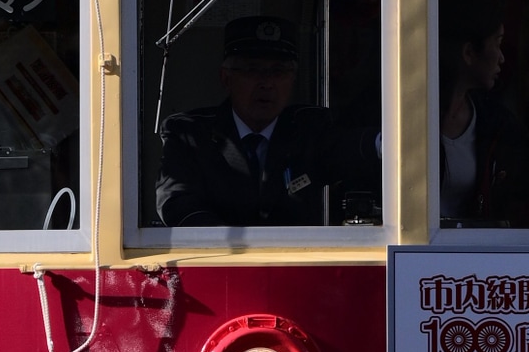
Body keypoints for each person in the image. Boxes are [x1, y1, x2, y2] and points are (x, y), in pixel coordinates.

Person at [156, 15, 380, 227]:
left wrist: (386, 143)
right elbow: (176, 202)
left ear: (293, 78)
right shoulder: (190, 134)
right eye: (253, 71)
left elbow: (349, 147)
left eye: (279, 71)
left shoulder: (309, 128)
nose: (267, 83)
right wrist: (230, 248)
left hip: (296, 262)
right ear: (226, 78)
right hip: (219, 261)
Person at [436, 0, 529, 223]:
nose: (502, 58)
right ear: (468, 53)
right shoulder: (396, 112)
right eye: (497, 43)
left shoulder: (493, 120)